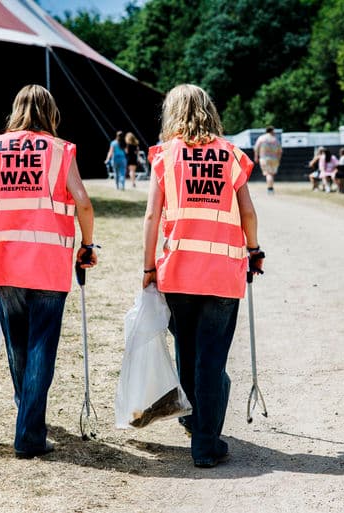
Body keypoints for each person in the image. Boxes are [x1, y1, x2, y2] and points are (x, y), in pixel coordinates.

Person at [0, 84, 96, 458]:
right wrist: (87, 244)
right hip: (48, 262)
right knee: (41, 346)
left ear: (15, 110)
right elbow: (83, 201)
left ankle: (28, 414)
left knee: (16, 343)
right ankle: (30, 431)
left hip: (3, 259)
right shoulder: (59, 150)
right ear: (51, 113)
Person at [142, 84, 263, 469]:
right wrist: (254, 250)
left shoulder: (165, 156)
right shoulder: (230, 155)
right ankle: (206, 444)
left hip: (177, 271)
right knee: (211, 360)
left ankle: (196, 423)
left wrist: (147, 267)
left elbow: (150, 217)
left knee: (187, 354)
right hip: (223, 274)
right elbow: (248, 213)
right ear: (210, 110)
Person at [253, 126, 282, 194]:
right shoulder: (275, 139)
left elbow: (256, 147)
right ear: (272, 131)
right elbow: (280, 151)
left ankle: (270, 189)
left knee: (268, 174)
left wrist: (256, 156)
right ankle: (271, 187)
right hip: (274, 158)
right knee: (271, 174)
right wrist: (278, 159)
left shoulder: (262, 138)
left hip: (264, 158)